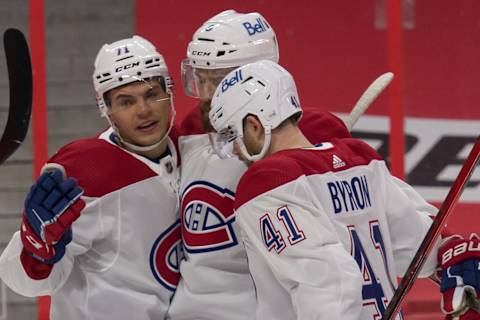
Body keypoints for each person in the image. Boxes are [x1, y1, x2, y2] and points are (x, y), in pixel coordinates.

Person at [209, 60, 480, 319]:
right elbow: (423, 247)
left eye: (233, 135)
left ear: (255, 125)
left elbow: (329, 284)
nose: (234, 149)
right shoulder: (360, 160)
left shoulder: (267, 183)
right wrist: (457, 260)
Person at [167, 10, 351, 319]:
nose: (208, 96)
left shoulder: (314, 133)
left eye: (221, 81)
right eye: (200, 79)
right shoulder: (188, 132)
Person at [0, 36, 182, 320]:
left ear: (169, 92)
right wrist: (37, 246)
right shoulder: (84, 173)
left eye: (151, 94)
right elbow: (22, 282)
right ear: (106, 109)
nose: (144, 110)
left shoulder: (191, 151)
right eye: (126, 101)